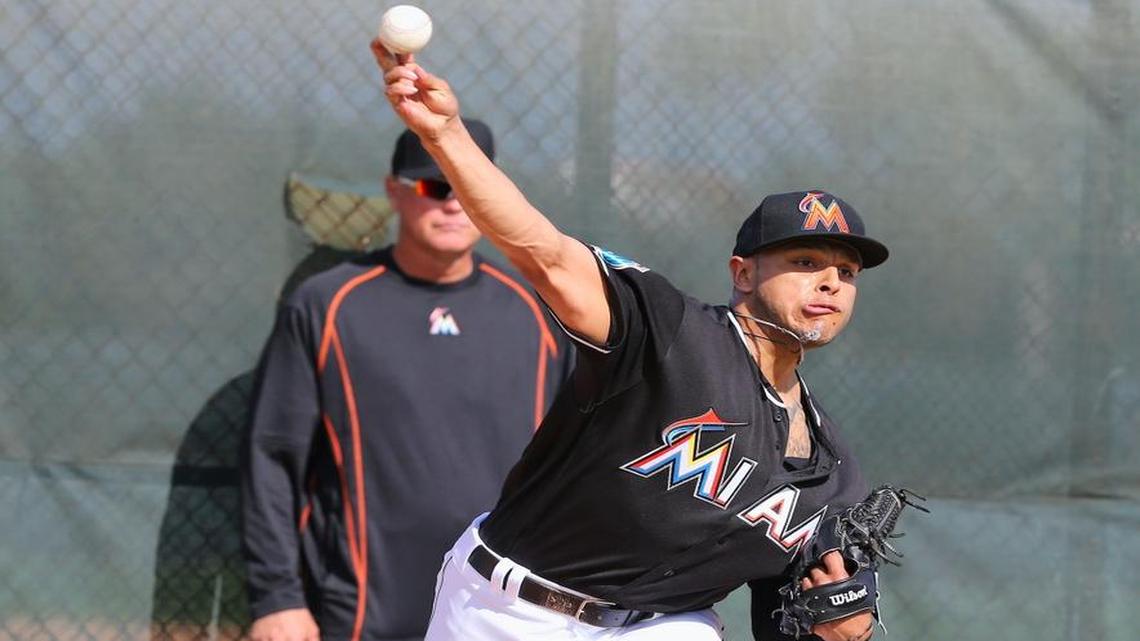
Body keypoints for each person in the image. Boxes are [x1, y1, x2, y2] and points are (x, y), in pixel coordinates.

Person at [371, 41, 892, 641]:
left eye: (846, 273)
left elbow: (786, 619)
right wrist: (447, 136)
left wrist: (840, 630)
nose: (830, 280)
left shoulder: (831, 472)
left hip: (666, 627)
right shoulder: (668, 332)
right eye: (804, 260)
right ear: (742, 272)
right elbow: (544, 252)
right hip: (508, 608)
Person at [241, 119, 573, 641]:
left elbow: (577, 468)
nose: (451, 203)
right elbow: (274, 458)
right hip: (361, 615)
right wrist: (277, 596)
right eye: (433, 186)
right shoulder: (328, 304)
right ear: (394, 191)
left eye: (466, 186)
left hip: (500, 618)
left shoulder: (536, 311)